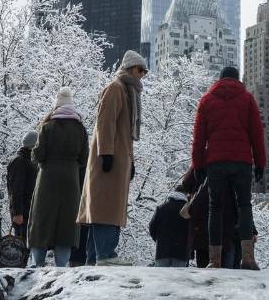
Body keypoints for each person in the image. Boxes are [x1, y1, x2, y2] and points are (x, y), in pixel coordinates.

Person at [190, 65, 266, 270]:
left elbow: (198, 138)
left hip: (216, 162)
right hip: (242, 162)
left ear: (220, 79)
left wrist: (198, 164)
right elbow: (257, 134)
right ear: (237, 79)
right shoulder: (247, 99)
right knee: (244, 206)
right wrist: (260, 163)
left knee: (215, 208)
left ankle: (214, 260)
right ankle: (248, 259)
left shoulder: (206, 100)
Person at [77, 50, 146, 265]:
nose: (142, 74)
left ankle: (93, 260)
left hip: (118, 159)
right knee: (106, 207)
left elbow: (125, 133)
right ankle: (106, 254)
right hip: (110, 159)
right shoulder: (116, 88)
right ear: (130, 68)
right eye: (140, 69)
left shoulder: (127, 91)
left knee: (105, 207)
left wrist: (131, 161)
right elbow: (105, 123)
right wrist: (106, 153)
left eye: (144, 71)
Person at [27, 87, 88, 268]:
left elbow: (38, 155)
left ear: (57, 104)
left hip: (47, 179)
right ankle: (61, 266)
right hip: (71, 180)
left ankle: (37, 263)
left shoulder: (47, 127)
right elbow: (84, 158)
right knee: (66, 224)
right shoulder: (80, 129)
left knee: (42, 220)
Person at [6, 131, 38, 241]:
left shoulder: (26, 160)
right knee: (22, 246)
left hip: (27, 212)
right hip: (23, 214)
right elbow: (16, 189)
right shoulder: (19, 162)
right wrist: (18, 213)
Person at [149, 183, 191, 267]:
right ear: (186, 194)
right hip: (181, 252)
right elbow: (191, 230)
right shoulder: (188, 210)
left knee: (161, 275)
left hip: (162, 251)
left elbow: (152, 227)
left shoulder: (161, 208)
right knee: (179, 275)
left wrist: (159, 240)